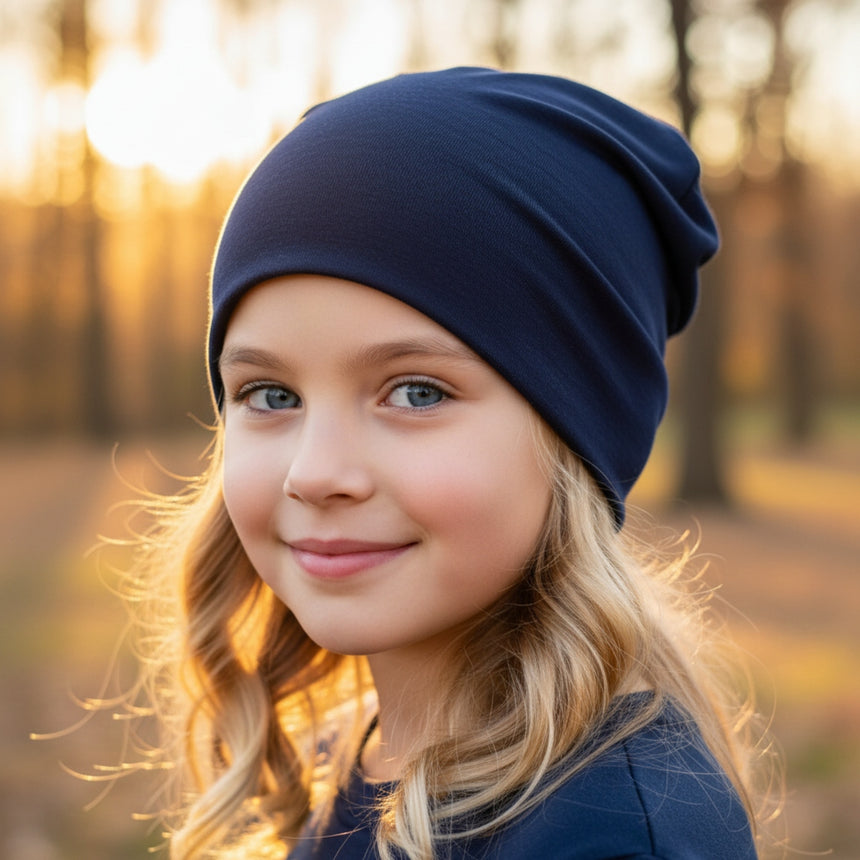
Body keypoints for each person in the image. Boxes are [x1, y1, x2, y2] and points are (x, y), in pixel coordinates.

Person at [117, 68, 775, 858]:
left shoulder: (605, 834)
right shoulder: (353, 760)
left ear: (574, 434)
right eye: (271, 394)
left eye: (417, 392)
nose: (316, 472)